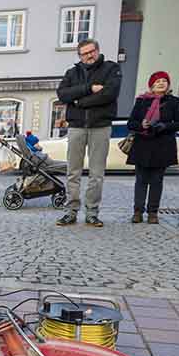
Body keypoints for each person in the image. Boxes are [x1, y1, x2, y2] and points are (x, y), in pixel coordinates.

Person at [55, 39, 122, 227]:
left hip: (100, 126)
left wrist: (79, 102)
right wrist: (89, 89)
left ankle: (92, 212)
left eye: (92, 51)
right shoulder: (72, 72)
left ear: (98, 50)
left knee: (96, 173)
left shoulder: (111, 69)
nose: (89, 55)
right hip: (76, 126)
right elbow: (62, 94)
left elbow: (109, 94)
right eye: (84, 53)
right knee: (72, 172)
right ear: (80, 56)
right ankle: (71, 211)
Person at [126, 71, 179, 224]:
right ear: (151, 85)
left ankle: (153, 212)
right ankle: (138, 211)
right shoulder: (141, 101)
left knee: (157, 181)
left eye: (164, 81)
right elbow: (131, 123)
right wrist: (141, 125)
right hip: (143, 144)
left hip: (162, 145)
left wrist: (165, 126)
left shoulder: (173, 101)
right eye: (158, 81)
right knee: (141, 180)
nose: (161, 83)